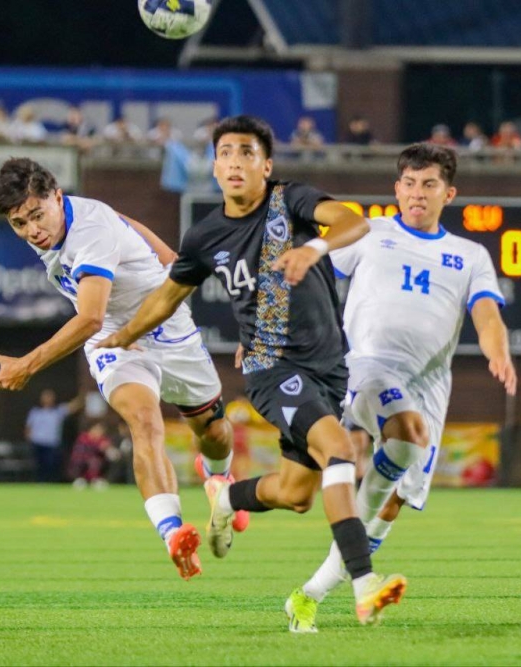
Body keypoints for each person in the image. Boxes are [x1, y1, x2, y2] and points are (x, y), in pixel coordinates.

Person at [96, 114, 406, 625]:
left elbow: (355, 221)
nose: (235, 162)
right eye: (225, 153)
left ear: (266, 165)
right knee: (340, 449)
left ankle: (227, 498)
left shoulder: (293, 201)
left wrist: (313, 246)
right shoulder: (204, 236)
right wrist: (123, 337)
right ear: (214, 167)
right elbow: (166, 297)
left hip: (328, 369)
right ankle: (364, 584)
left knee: (295, 494)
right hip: (269, 368)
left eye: (246, 153)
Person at [284, 143, 518, 633]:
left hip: (428, 387)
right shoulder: (370, 234)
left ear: (447, 193)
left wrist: (498, 350)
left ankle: (310, 595)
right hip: (364, 365)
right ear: (396, 189)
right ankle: (365, 587)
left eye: (429, 184)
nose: (417, 193)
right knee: (406, 436)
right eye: (409, 184)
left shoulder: (469, 255)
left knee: (391, 501)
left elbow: (487, 314)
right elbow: (311, 279)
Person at [0, 157, 243, 581]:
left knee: (213, 431)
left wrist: (26, 366)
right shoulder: (57, 222)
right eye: (19, 223)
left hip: (164, 326)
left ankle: (218, 479)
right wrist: (166, 254)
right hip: (111, 336)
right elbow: (120, 226)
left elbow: (85, 315)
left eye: (36, 215)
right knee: (143, 421)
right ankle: (174, 534)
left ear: (57, 197)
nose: (32, 230)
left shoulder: (89, 232)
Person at [26, 389, 83, 483]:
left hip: (51, 443)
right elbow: (28, 428)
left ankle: (50, 482)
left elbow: (72, 407)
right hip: (38, 442)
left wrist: (83, 395)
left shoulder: (57, 412)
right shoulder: (35, 412)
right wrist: (29, 439)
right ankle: (39, 482)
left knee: (51, 465)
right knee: (39, 465)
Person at [68, 421, 113, 489]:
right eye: (97, 429)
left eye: (100, 430)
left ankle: (96, 480)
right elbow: (83, 451)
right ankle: (81, 480)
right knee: (93, 461)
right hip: (80, 461)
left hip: (96, 461)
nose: (98, 432)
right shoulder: (83, 437)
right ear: (91, 429)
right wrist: (98, 447)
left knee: (102, 461)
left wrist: (107, 449)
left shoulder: (103, 439)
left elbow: (108, 447)